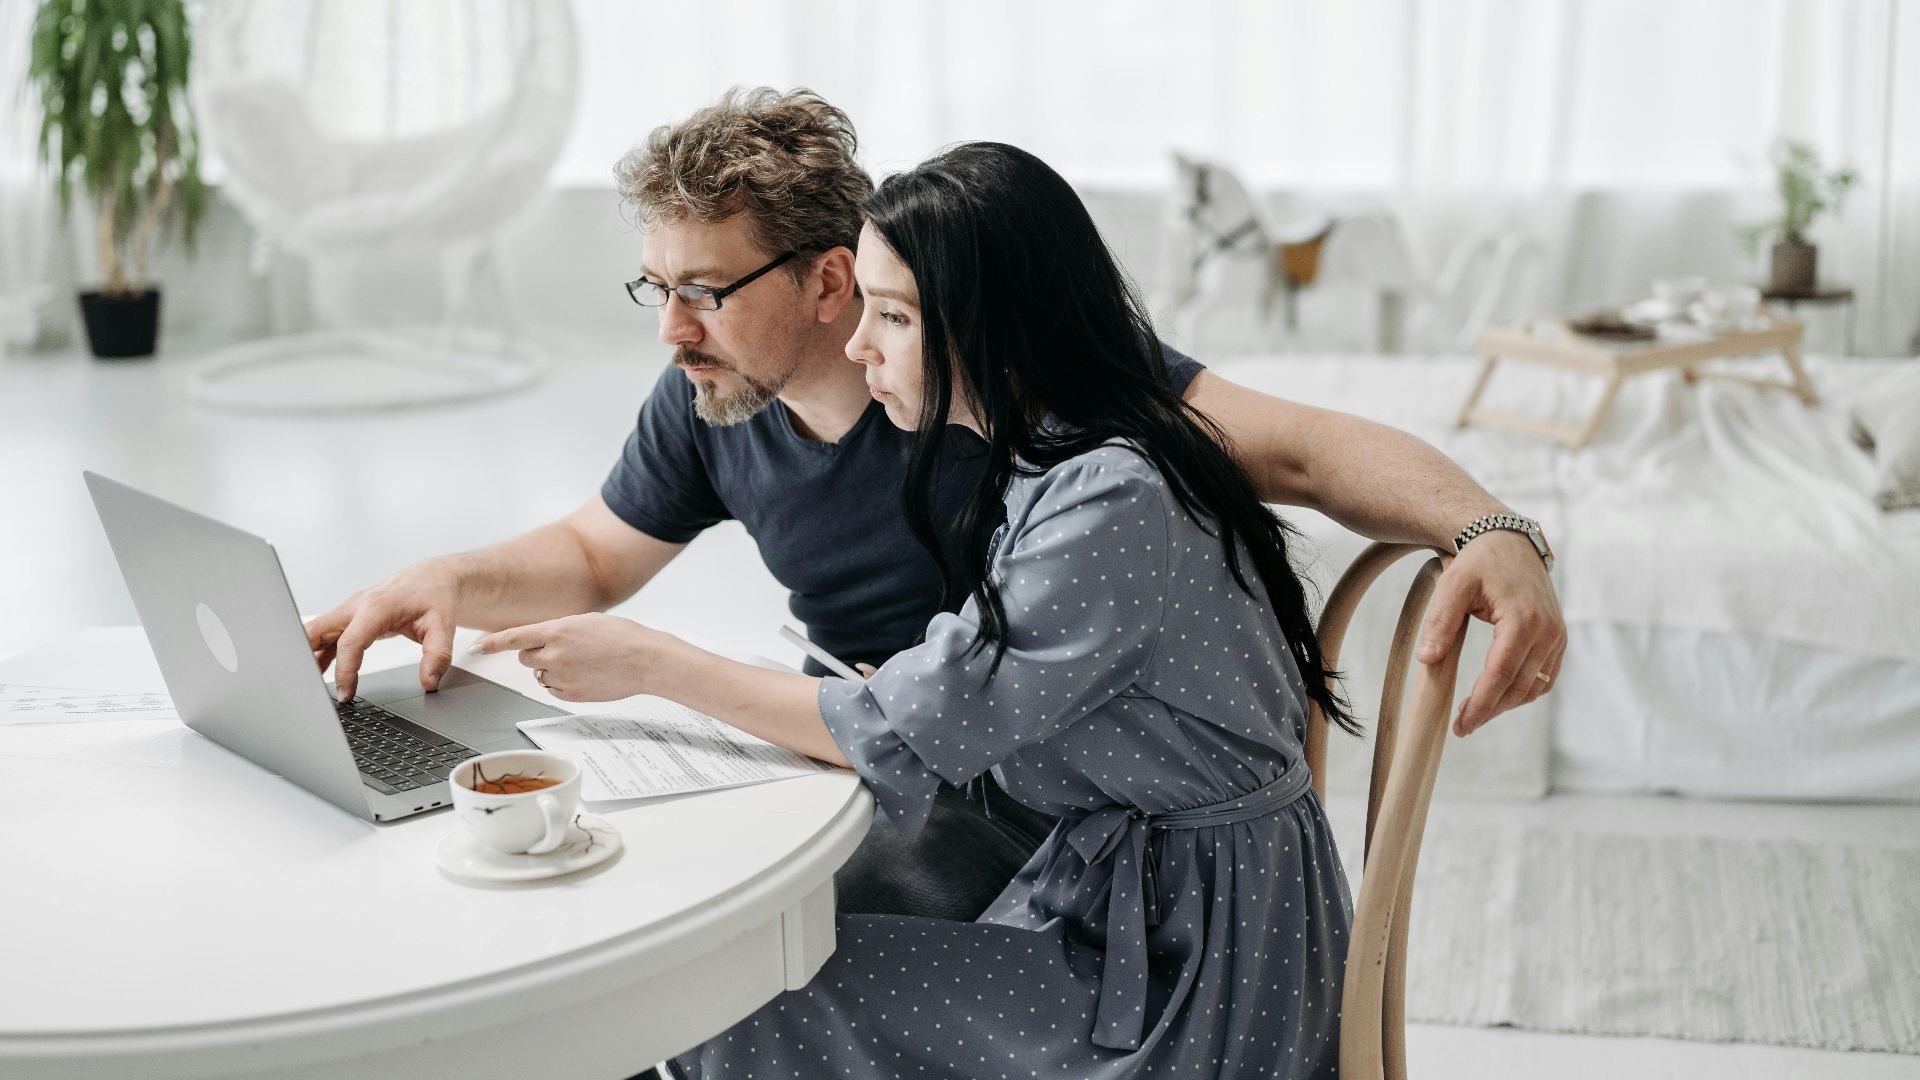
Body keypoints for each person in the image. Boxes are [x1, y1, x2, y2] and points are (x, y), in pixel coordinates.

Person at [305, 88, 1564, 924]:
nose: (672, 329)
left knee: (703, 953)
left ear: (829, 282)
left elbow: (1294, 452)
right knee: (612, 893)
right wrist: (445, 584)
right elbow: (592, 549)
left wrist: (1490, 529)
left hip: (1020, 798)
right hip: (867, 744)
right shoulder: (710, 390)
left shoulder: (1025, 401)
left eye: (703, 288)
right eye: (655, 289)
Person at [477, 140, 1370, 1078]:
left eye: (893, 317)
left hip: (1203, 963)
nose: (861, 345)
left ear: (992, 329)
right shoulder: (1053, 459)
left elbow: (899, 731)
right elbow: (991, 690)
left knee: (738, 994)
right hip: (1130, 898)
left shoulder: (1108, 498)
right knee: (740, 968)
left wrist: (654, 664)